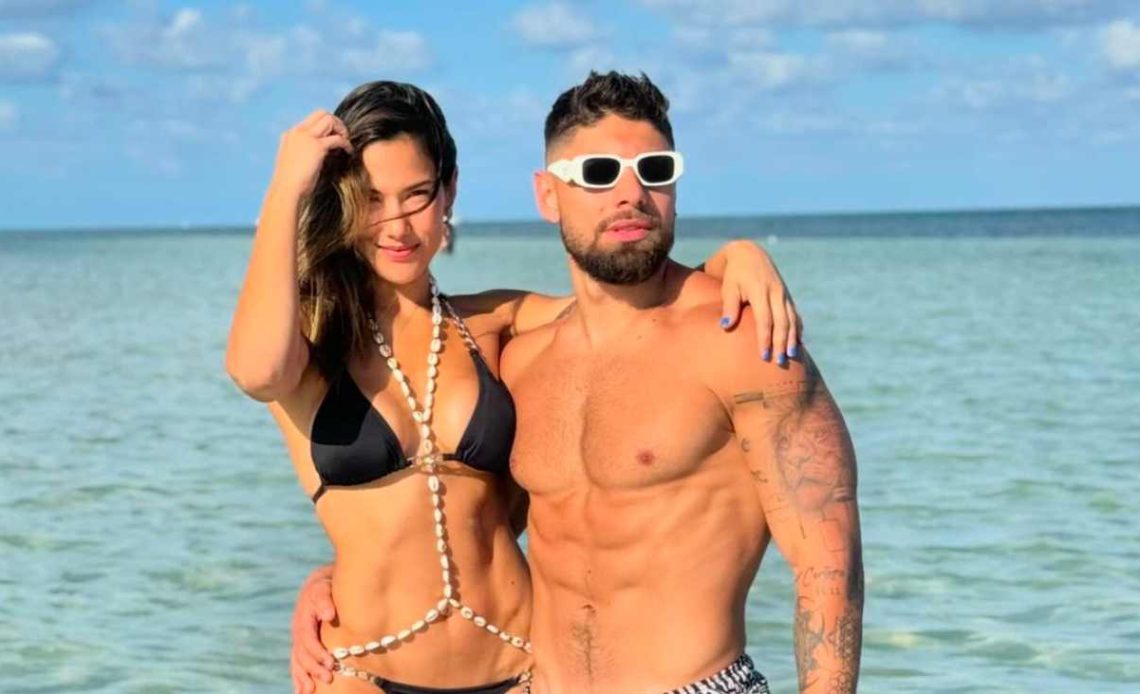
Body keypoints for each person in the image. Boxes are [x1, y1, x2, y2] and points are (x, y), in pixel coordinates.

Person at [226, 79, 803, 694]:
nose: (396, 225)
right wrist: (288, 185)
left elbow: (626, 306)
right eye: (371, 199)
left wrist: (732, 260)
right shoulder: (313, 344)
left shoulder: (493, 323)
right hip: (360, 668)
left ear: (449, 192)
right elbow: (256, 372)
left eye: (417, 195)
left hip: (521, 667)